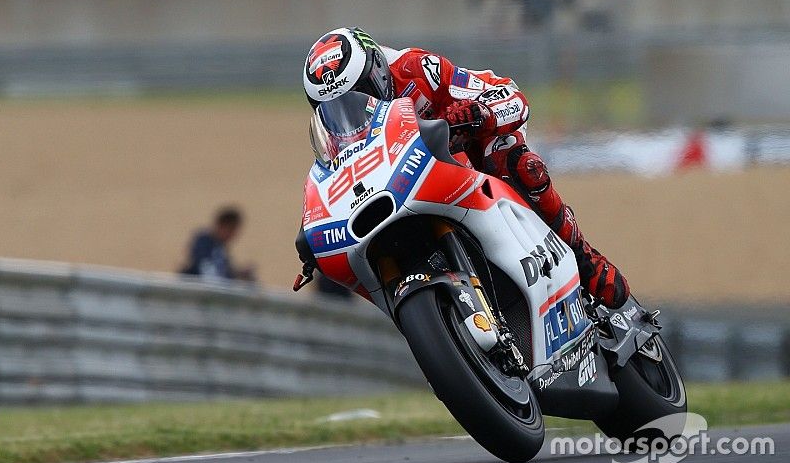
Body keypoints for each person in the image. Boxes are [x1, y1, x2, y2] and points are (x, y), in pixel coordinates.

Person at [302, 27, 628, 309]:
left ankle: (583, 258)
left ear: (378, 71)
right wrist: (313, 242)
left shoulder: (418, 69)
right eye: (333, 109)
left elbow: (511, 96)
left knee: (517, 162)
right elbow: (330, 187)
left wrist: (479, 113)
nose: (350, 112)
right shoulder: (335, 140)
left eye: (359, 95)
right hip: (399, 193)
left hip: (459, 162)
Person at [181, 206, 254, 282]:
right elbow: (205, 267)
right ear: (221, 226)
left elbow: (225, 273)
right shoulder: (204, 242)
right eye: (231, 230)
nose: (233, 235)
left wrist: (238, 274)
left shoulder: (221, 250)